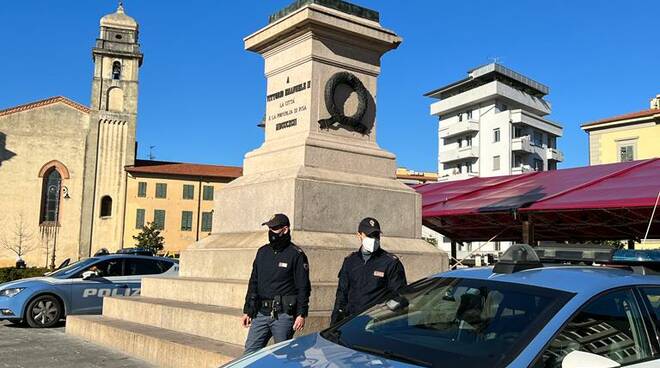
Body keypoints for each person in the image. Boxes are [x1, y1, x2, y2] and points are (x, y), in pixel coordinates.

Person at [241, 214, 311, 355]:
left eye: (274, 228)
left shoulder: (296, 254)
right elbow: (253, 281)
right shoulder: (262, 252)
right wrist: (248, 310)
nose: (271, 232)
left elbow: (303, 287)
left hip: (283, 315)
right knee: (250, 353)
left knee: (282, 355)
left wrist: (301, 314)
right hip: (261, 313)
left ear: (285, 230)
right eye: (270, 228)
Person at [331, 217, 407, 325]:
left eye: (376, 235)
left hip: (377, 324)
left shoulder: (390, 262)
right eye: (369, 235)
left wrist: (382, 316)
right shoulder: (350, 261)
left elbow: (400, 296)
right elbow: (342, 294)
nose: (373, 239)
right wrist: (335, 322)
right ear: (359, 235)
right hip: (351, 321)